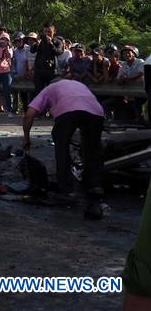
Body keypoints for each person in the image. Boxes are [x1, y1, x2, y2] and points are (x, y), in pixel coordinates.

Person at [21, 78, 105, 220]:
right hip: (96, 112)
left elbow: (29, 114)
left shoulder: (49, 89)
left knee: (62, 148)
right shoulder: (79, 84)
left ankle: (67, 189)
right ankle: (95, 185)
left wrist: (26, 138)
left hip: (68, 111)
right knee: (93, 148)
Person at [31, 23, 58, 99]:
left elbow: (57, 52)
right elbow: (32, 51)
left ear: (54, 32)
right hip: (39, 71)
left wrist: (51, 44)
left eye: (49, 31)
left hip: (51, 72)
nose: (47, 34)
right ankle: (40, 110)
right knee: (38, 93)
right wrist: (36, 44)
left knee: (52, 93)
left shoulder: (57, 42)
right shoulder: (40, 41)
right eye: (45, 31)